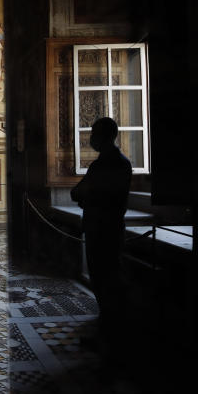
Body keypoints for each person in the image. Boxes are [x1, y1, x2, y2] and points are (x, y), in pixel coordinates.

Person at [69, 117, 132, 353]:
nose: (90, 138)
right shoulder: (121, 163)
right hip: (110, 228)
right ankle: (109, 333)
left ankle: (110, 336)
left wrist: (87, 197)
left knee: (105, 282)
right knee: (108, 281)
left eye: (94, 133)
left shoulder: (103, 165)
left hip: (101, 228)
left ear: (104, 136)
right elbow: (81, 193)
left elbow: (80, 193)